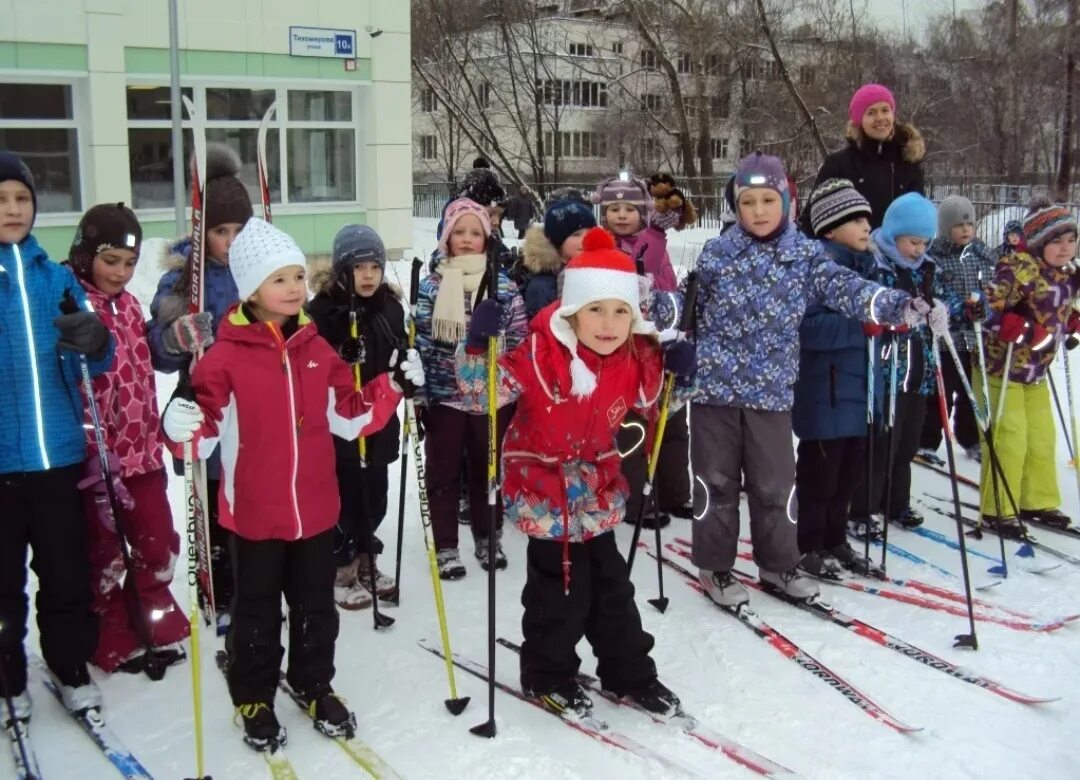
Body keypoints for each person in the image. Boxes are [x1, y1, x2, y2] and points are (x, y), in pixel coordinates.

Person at [160, 217, 423, 752]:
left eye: (298, 277)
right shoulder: (224, 359)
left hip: (316, 511)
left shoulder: (315, 349)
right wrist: (179, 422)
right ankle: (253, 692)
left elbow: (348, 415)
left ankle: (313, 682)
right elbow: (199, 438)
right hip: (256, 515)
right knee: (256, 612)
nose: (295, 288)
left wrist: (391, 384)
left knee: (315, 609)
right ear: (251, 288)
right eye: (280, 279)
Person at [657, 152, 949, 608]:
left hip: (771, 392)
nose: (757, 210)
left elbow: (850, 291)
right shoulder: (718, 253)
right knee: (716, 483)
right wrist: (647, 306)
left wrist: (901, 307)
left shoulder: (805, 257)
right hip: (714, 390)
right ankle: (715, 566)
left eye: (767, 199)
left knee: (776, 485)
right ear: (736, 204)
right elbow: (684, 302)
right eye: (747, 200)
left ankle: (778, 562)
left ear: (786, 202)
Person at [462, 226, 692, 717]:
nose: (608, 324)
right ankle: (546, 673)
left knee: (613, 590)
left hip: (597, 485)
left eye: (620, 311)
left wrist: (679, 374)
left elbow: (659, 405)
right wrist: (479, 349)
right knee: (560, 593)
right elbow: (481, 395)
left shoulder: (634, 356)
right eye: (596, 310)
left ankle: (628, 672)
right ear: (573, 311)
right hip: (544, 488)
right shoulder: (541, 354)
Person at [0, 152, 114, 719]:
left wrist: (93, 342)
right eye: (1, 200)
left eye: (21, 198)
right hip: (1, 465)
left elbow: (93, 362)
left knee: (65, 573)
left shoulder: (55, 279)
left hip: (57, 457)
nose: (12, 209)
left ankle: (69, 666)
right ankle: (7, 681)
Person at [67, 203, 190, 674]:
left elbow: (151, 359)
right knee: (107, 554)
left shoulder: (131, 305)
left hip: (143, 454)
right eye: (110, 260)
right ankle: (110, 632)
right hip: (97, 462)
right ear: (85, 255)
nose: (120, 272)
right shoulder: (71, 304)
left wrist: (174, 337)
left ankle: (152, 619)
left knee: (159, 543)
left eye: (129, 263)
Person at [146, 143, 252, 632]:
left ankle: (256, 583)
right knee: (214, 503)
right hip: (208, 407)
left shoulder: (260, 272)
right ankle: (220, 587)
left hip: (255, 410)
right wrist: (178, 335)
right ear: (203, 231)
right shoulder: (183, 280)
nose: (230, 241)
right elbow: (160, 352)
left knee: (250, 499)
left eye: (238, 230)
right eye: (220, 231)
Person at [414, 198, 528, 579]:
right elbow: (425, 339)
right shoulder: (432, 285)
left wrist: (496, 344)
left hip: (492, 396)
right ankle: (446, 544)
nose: (466, 239)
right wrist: (420, 388)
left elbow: (519, 340)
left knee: (488, 469)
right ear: (446, 237)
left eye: (474, 233)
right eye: (458, 232)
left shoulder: (504, 286)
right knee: (443, 472)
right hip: (446, 394)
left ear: (487, 238)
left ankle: (487, 535)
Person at [847, 193, 965, 535]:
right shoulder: (877, 265)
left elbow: (945, 298)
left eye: (925, 242)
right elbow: (871, 306)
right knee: (880, 443)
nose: (918, 249)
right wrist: (901, 311)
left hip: (919, 374)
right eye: (913, 241)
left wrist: (945, 308)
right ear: (895, 234)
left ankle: (896, 501)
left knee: (907, 443)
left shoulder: (928, 267)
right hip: (885, 372)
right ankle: (861, 507)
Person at [307, 225, 406, 609]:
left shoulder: (390, 308)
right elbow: (311, 363)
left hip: (379, 425)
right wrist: (337, 352)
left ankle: (367, 557)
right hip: (340, 429)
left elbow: (400, 348)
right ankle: (342, 566)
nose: (368, 275)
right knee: (344, 500)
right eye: (358, 267)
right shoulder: (322, 311)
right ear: (341, 269)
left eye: (374, 267)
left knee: (375, 498)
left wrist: (407, 370)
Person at [792, 179, 883, 577]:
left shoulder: (872, 269)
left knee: (848, 479)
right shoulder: (816, 269)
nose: (866, 225)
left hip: (859, 395)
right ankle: (809, 543)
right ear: (829, 229)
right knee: (820, 478)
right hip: (824, 395)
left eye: (866, 217)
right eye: (855, 219)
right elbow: (805, 328)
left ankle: (835, 538)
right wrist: (859, 327)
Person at [977, 199, 1079, 531]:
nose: (1065, 248)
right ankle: (999, 508)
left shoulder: (1070, 274)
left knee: (1041, 436)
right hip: (999, 368)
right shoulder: (1019, 267)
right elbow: (986, 306)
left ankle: (1037, 500)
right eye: (1056, 241)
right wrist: (1015, 325)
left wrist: (1073, 321)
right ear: (1038, 243)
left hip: (1035, 371)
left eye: (1071, 239)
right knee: (1011, 437)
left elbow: (1061, 307)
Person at [918, 195, 998, 465]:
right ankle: (927, 440)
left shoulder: (981, 255)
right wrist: (958, 307)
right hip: (946, 338)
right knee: (942, 389)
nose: (966, 230)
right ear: (944, 227)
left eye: (969, 224)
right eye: (959, 225)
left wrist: (982, 306)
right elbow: (937, 290)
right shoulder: (935, 258)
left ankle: (971, 437)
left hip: (975, 340)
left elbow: (991, 287)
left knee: (970, 391)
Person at [802, 83, 925, 233]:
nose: (880, 118)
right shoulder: (839, 165)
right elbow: (811, 221)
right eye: (871, 113)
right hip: (849, 254)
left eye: (885, 110)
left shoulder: (908, 161)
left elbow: (920, 218)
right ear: (859, 120)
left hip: (898, 254)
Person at [519, 196, 596, 320]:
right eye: (576, 235)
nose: (586, 239)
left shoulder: (598, 271)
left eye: (590, 233)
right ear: (558, 241)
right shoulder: (543, 285)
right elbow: (540, 326)